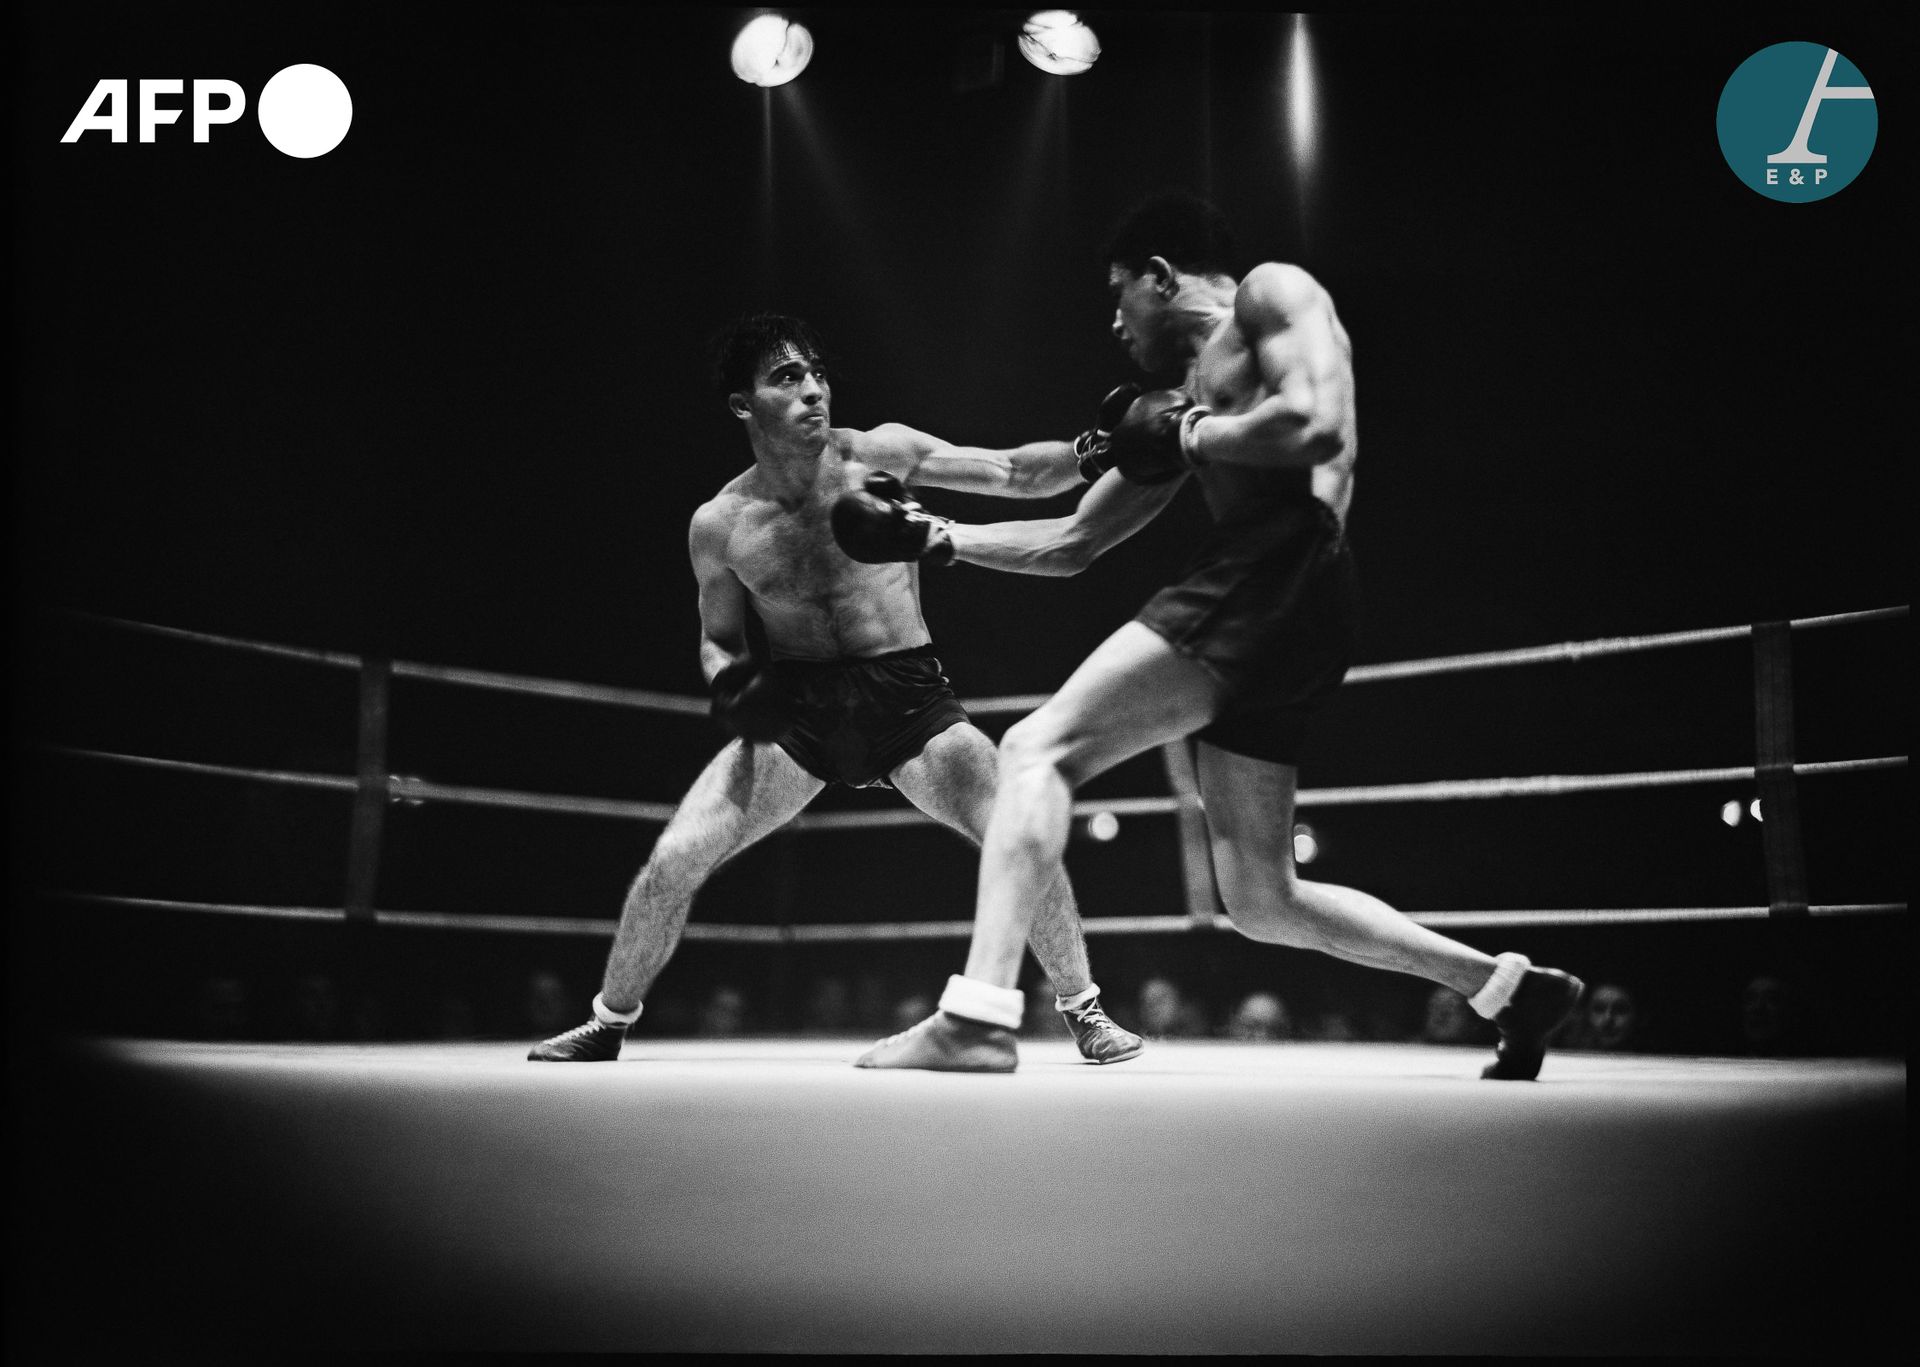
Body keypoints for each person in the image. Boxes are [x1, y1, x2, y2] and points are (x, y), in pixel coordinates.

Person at [845, 193, 1584, 1079]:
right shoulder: (1183, 399)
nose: (1113, 321)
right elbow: (1076, 540)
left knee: (1034, 748)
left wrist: (1194, 433)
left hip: (1278, 560)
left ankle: (977, 1015)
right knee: (1262, 896)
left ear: (1161, 278)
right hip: (1296, 601)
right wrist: (938, 538)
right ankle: (1505, 987)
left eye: (1121, 294)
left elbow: (1318, 424)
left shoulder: (1270, 295)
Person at [528, 313, 1142, 1064]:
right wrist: (729, 686)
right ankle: (607, 1019)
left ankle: (1086, 1010)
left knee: (1017, 826)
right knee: (672, 860)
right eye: (787, 376)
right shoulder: (719, 524)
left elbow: (1015, 471)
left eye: (816, 371)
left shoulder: (879, 454)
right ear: (742, 405)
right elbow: (719, 638)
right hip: (798, 712)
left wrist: (1098, 450)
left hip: (909, 698)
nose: (814, 388)